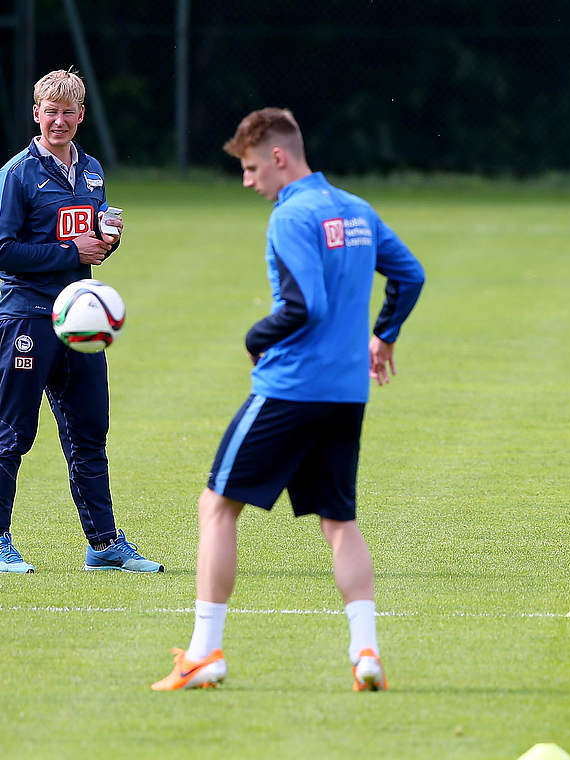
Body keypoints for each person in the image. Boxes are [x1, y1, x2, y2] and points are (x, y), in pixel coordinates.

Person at [152, 108, 424, 690]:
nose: (248, 181)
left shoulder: (290, 216)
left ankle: (205, 652)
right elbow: (411, 275)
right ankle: (367, 651)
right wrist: (385, 336)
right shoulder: (356, 209)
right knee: (340, 521)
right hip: (346, 394)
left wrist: (255, 338)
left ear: (278, 157)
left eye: (251, 168)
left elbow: (306, 307)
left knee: (217, 506)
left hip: (291, 388)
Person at [0, 69, 161, 574]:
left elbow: (90, 238)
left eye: (69, 112)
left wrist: (107, 241)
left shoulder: (91, 170)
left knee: (90, 433)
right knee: (11, 434)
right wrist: (72, 249)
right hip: (26, 316)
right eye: (51, 112)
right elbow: (4, 249)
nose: (59, 121)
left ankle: (104, 544)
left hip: (80, 320)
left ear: (81, 115)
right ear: (36, 115)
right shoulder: (17, 173)